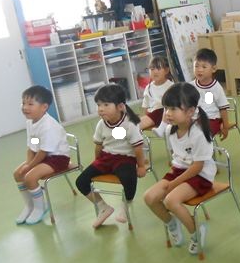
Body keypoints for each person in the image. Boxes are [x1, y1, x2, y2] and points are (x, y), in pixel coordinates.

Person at [143, 82, 215, 255]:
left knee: (171, 200)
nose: (168, 113)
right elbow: (176, 158)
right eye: (166, 108)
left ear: (190, 111)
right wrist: (173, 180)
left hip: (201, 176)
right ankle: (172, 223)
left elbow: (197, 167)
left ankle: (196, 232)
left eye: (173, 109)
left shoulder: (198, 133)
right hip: (179, 171)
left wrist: (174, 183)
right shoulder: (170, 130)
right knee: (149, 197)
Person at [75, 84, 147, 229]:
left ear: (120, 107)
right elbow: (98, 146)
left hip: (125, 158)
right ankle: (103, 207)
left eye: (106, 105)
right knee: (81, 181)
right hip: (106, 158)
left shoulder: (129, 124)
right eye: (98, 105)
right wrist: (96, 163)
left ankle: (125, 206)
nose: (100, 109)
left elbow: (138, 148)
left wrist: (141, 166)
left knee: (128, 178)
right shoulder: (101, 124)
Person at [14, 85, 70, 225]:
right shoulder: (30, 122)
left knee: (30, 177)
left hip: (57, 158)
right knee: (18, 174)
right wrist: (28, 164)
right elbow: (32, 146)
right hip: (43, 156)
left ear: (44, 107)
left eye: (30, 104)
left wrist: (29, 167)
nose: (25, 107)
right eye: (23, 103)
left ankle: (40, 207)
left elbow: (44, 151)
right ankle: (30, 206)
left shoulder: (48, 126)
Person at [190, 48, 230, 138]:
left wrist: (225, 127)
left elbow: (223, 109)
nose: (199, 70)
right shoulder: (190, 86)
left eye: (204, 67)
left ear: (214, 69)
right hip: (194, 119)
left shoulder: (216, 88)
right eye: (196, 66)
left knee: (201, 135)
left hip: (212, 119)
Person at [139, 56, 174, 137]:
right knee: (135, 123)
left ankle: (161, 128)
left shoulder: (171, 86)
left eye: (158, 68)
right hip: (153, 115)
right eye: (152, 69)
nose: (155, 71)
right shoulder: (149, 87)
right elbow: (146, 105)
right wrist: (146, 117)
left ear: (166, 70)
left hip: (166, 114)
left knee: (164, 107)